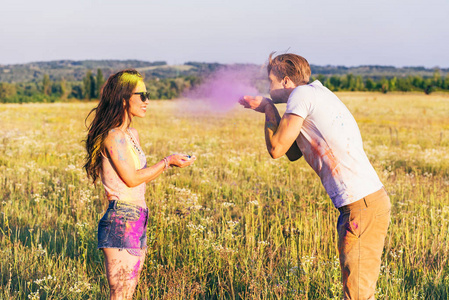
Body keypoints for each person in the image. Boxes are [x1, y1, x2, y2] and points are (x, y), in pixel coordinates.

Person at [239, 53, 391, 300]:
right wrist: (271, 109)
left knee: (357, 296)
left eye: (270, 81)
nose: (268, 87)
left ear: (286, 81)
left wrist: (268, 108)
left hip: (360, 206)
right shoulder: (316, 92)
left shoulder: (301, 96)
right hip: (364, 204)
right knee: (360, 293)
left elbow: (276, 149)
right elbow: (292, 152)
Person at [83, 69, 195, 299]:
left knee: (128, 291)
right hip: (121, 218)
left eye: (148, 95)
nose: (147, 101)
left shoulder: (131, 133)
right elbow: (131, 178)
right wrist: (167, 162)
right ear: (124, 98)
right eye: (142, 95)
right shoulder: (113, 136)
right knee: (121, 293)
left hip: (137, 216)